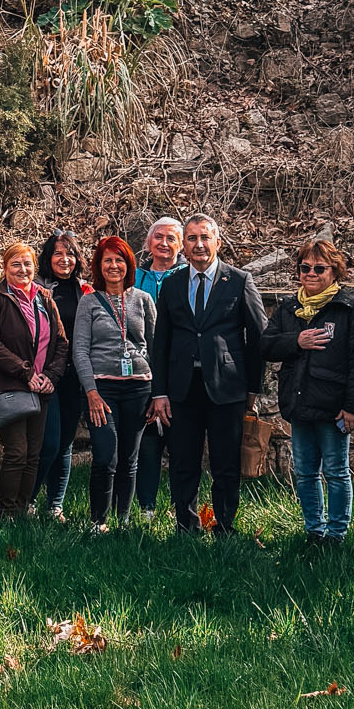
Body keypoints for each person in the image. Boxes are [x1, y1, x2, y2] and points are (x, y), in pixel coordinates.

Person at [148, 215, 267, 538]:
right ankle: (186, 526)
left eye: (205, 237)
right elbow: (162, 343)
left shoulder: (240, 280)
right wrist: (160, 392)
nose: (198, 245)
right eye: (191, 238)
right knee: (183, 462)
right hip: (182, 389)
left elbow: (257, 339)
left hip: (226, 389)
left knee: (225, 464)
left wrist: (253, 390)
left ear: (217, 242)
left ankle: (225, 527)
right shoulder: (173, 284)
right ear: (183, 245)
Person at [260, 236, 354, 544]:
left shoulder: (350, 309)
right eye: (305, 268)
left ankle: (336, 533)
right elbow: (266, 345)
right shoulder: (289, 308)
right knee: (305, 471)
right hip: (298, 403)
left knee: (337, 472)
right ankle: (314, 528)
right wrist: (295, 342)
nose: (311, 274)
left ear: (334, 272)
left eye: (319, 269)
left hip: (334, 406)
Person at [0, 239, 69, 519]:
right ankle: (6, 514)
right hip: (11, 386)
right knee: (17, 452)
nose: (22, 269)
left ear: (35, 267)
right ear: (5, 268)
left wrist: (50, 376)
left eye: (27, 264)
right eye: (15, 264)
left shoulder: (44, 298)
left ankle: (21, 511)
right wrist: (25, 372)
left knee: (34, 453)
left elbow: (61, 342)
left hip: (42, 388)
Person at [71, 234, 156, 530]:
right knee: (106, 455)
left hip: (139, 387)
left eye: (119, 259)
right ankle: (98, 523)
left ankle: (122, 521)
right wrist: (91, 392)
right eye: (107, 260)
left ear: (129, 263)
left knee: (129, 458)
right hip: (102, 389)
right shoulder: (89, 301)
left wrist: (157, 394)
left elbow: (155, 347)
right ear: (99, 265)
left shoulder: (143, 300)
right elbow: (79, 349)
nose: (113, 265)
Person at [32, 229, 89, 521]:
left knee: (66, 441)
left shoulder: (85, 289)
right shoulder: (36, 287)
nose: (64, 259)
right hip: (46, 375)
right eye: (58, 253)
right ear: (47, 257)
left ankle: (55, 504)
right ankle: (28, 500)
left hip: (76, 377)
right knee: (50, 441)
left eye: (70, 253)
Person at [132, 216, 185, 522]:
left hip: (179, 371)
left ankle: (182, 509)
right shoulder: (135, 277)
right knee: (148, 444)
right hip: (143, 371)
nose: (164, 244)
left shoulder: (190, 277)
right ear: (148, 242)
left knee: (180, 444)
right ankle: (146, 509)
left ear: (181, 245)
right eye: (159, 237)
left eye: (171, 238)